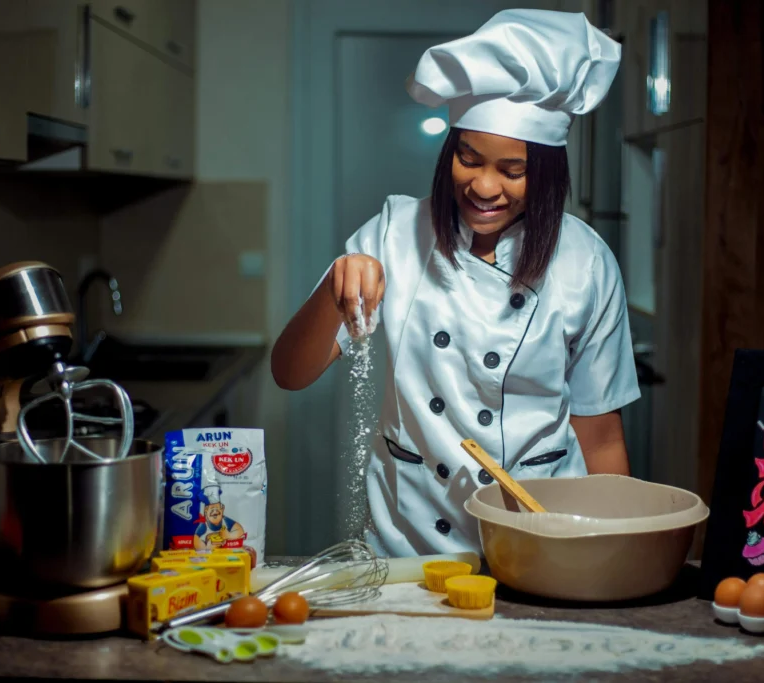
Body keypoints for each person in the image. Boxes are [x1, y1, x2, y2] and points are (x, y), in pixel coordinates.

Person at [271, 9, 638, 557]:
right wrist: (332, 292)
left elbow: (602, 435)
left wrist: (618, 555)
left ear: (548, 174)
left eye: (513, 171)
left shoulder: (585, 261)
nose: (483, 187)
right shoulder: (393, 235)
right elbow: (289, 373)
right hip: (410, 544)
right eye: (468, 159)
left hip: (544, 537)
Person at [193, 485, 246, 551]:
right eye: (212, 509)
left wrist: (229, 535)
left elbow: (240, 530)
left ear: (222, 509)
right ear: (206, 511)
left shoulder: (225, 521)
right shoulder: (204, 525)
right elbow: (196, 540)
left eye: (217, 508)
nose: (215, 511)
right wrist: (206, 548)